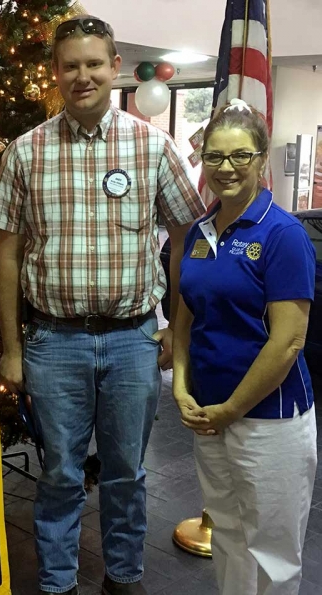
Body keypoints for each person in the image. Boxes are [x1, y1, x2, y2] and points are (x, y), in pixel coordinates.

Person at [0, 16, 205, 595]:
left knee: (127, 474)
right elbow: (5, 255)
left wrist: (173, 331)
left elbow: (185, 237)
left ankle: (124, 575)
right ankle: (58, 582)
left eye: (93, 64)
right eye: (70, 65)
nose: (82, 76)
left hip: (134, 340)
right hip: (53, 343)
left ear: (115, 68)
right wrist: (12, 348)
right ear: (55, 73)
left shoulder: (152, 146)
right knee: (59, 474)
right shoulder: (24, 152)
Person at [173, 99, 318, 595]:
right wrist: (179, 386)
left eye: (240, 156)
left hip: (267, 419)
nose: (226, 168)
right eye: (214, 156)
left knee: (274, 552)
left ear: (260, 160)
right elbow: (184, 317)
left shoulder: (283, 235)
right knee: (231, 535)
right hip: (209, 414)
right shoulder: (198, 233)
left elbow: (288, 341)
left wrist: (231, 410)